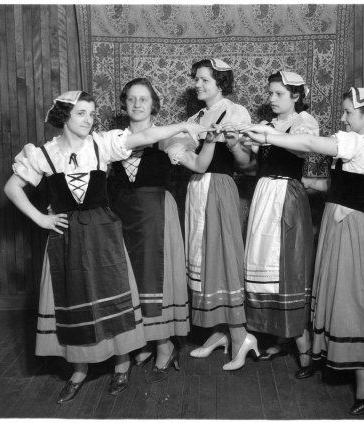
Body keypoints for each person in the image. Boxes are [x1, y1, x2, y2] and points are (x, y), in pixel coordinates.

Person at [4, 90, 211, 403]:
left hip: (103, 233)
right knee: (71, 294)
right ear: (64, 117)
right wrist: (41, 219)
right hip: (66, 236)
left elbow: (150, 134)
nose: (89, 120)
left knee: (113, 295)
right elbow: (12, 187)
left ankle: (121, 362)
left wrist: (184, 127)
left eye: (91, 113)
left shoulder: (101, 144)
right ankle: (78, 368)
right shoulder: (45, 154)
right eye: (81, 114)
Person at [236, 87, 364, 414]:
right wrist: (299, 184)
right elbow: (337, 185)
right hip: (341, 227)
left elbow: (311, 144)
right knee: (345, 297)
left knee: (352, 299)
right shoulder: (362, 146)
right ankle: (363, 370)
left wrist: (269, 134)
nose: (342, 117)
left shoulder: (362, 144)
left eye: (348, 113)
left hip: (354, 231)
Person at [107, 78, 218, 384]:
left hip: (156, 212)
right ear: (124, 103)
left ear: (153, 104)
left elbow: (199, 166)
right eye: (132, 99)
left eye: (144, 99)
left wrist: (210, 140)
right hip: (121, 215)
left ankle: (164, 345)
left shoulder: (169, 138)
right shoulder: (114, 139)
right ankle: (138, 343)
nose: (138, 104)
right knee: (128, 279)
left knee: (156, 276)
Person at [173, 58, 259, 371]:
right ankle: (220, 331)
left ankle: (240, 335)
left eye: (204, 79)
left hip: (219, 188)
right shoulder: (195, 116)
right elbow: (187, 156)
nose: (198, 84)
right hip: (197, 191)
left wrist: (234, 144)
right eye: (196, 78)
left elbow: (247, 161)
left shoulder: (234, 112)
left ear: (220, 83)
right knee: (204, 258)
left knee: (221, 258)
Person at [242, 71, 323, 379]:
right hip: (263, 194)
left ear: (295, 96)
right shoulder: (267, 126)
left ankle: (303, 344)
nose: (271, 99)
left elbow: (304, 150)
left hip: (286, 196)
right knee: (265, 266)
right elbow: (249, 167)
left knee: (285, 267)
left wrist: (264, 134)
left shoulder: (304, 122)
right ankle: (280, 336)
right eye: (271, 93)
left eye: (278, 94)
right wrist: (239, 141)